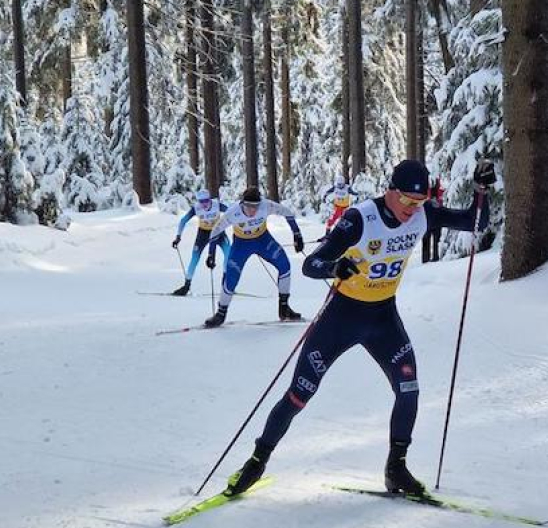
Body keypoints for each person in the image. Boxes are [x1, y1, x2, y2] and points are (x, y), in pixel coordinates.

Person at [222, 159, 496, 498]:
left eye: (420, 202)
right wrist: (338, 266)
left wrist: (482, 191)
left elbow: (476, 221)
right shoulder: (360, 219)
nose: (413, 210)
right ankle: (256, 461)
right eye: (408, 201)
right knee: (299, 394)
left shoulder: (424, 213)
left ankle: (396, 467)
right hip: (342, 317)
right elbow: (311, 264)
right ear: (390, 191)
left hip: (383, 318)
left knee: (408, 388)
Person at [204, 188, 306, 327]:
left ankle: (284, 308)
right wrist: (211, 254)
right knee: (231, 277)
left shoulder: (266, 206)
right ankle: (221, 314)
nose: (253, 210)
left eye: (256, 206)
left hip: (263, 240)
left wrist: (297, 235)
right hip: (241, 244)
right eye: (248, 206)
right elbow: (216, 230)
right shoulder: (233, 212)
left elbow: (287, 212)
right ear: (242, 204)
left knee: (285, 265)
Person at [171, 189, 232, 296]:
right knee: (194, 258)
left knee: (228, 253)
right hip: (203, 234)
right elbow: (183, 220)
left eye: (206, 201)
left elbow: (232, 212)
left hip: (218, 232)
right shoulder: (196, 208)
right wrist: (178, 236)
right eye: (201, 201)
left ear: (209, 200)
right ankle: (186, 285)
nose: (204, 204)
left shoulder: (217, 205)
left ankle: (226, 283)